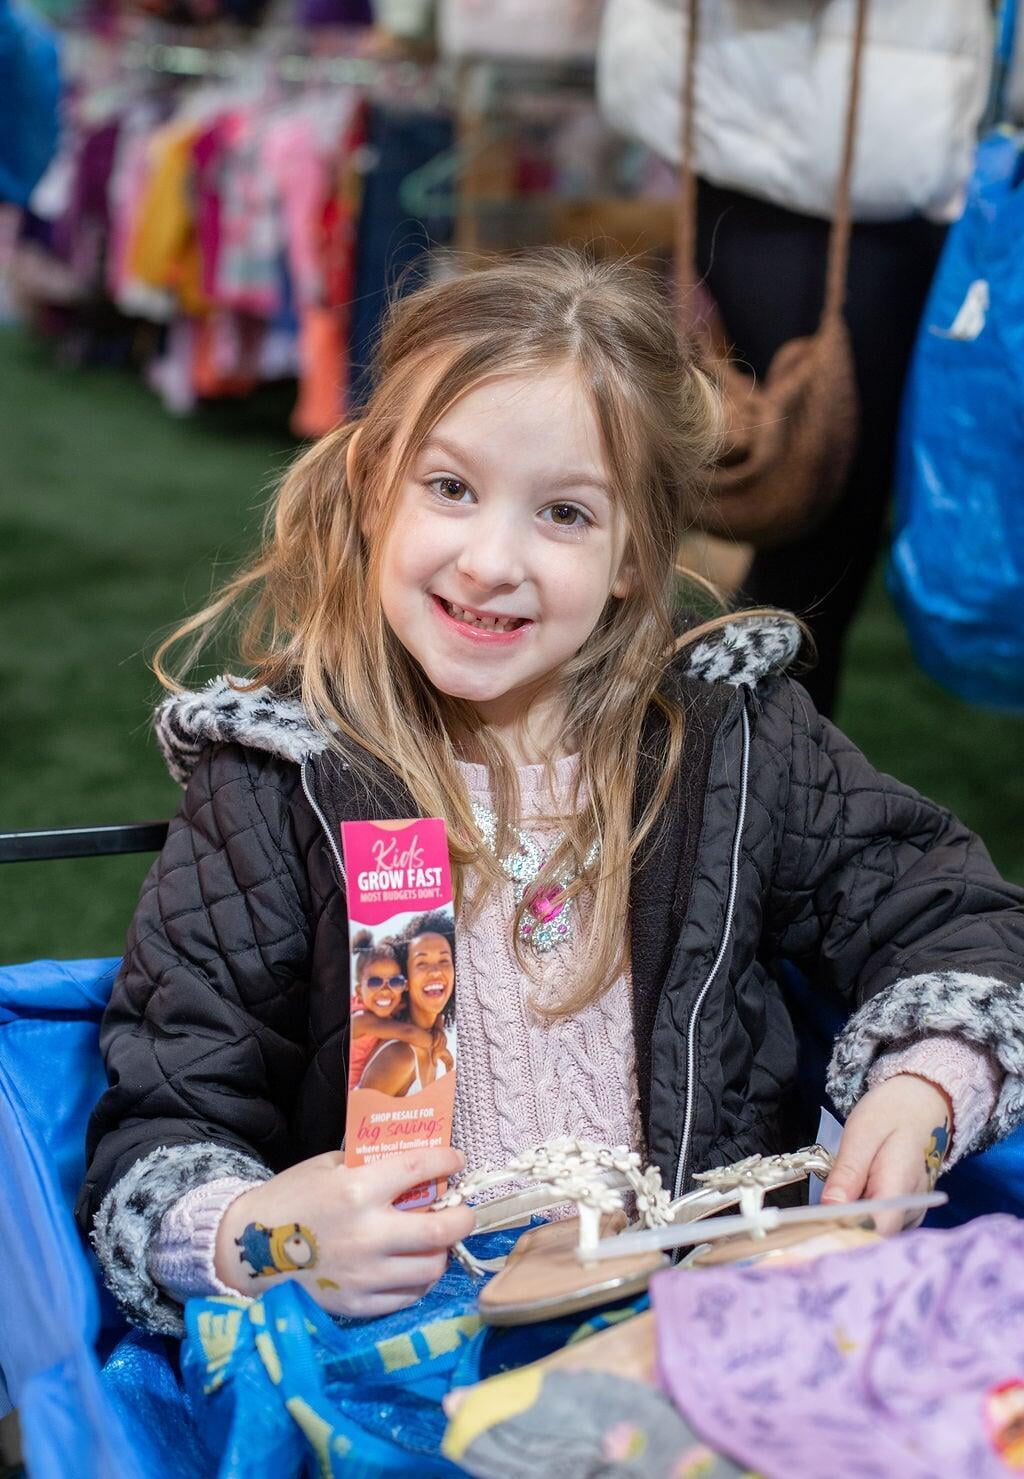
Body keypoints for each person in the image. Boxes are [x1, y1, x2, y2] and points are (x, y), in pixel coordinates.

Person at [76, 250, 1024, 1337]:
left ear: (633, 554)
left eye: (565, 513)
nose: (490, 561)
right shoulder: (278, 786)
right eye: (450, 488)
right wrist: (272, 1234)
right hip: (405, 1359)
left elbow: (957, 919)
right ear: (372, 483)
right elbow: (159, 1137)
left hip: (696, 1332)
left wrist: (923, 1089)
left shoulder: (731, 741)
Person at [597, 0, 993, 715]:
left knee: (831, 518)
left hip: (889, 157)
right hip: (800, 157)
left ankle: (750, 760)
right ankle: (735, 761)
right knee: (815, 511)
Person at [359, 913, 456, 1096]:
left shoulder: (438, 1038)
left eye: (444, 960)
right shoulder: (399, 1055)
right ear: (406, 980)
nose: (435, 971)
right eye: (422, 963)